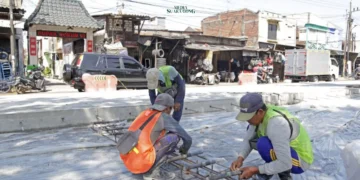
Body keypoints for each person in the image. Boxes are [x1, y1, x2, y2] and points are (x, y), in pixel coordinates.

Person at [230, 93, 313, 180]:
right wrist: (240, 158)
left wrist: (256, 170)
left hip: (300, 161)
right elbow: (248, 138)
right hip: (286, 151)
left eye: (249, 117)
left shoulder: (276, 124)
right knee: (255, 135)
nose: (247, 120)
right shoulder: (260, 115)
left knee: (263, 144)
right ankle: (272, 169)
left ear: (260, 112)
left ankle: (284, 176)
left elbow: (285, 163)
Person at [119, 93, 192, 180]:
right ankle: (151, 173)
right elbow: (187, 138)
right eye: (171, 109)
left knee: (159, 135)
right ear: (167, 108)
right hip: (142, 162)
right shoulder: (163, 117)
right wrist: (183, 151)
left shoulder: (144, 113)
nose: (170, 111)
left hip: (129, 159)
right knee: (174, 137)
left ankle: (149, 163)